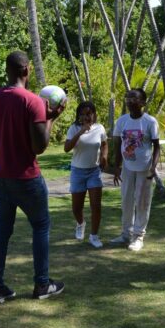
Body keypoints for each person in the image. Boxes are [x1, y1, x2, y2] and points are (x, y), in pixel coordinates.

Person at [0, 51, 67, 304]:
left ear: (7, 70)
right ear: (26, 71)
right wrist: (51, 119)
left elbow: (0, 132)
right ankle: (42, 284)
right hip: (26, 177)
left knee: (3, 230)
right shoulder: (33, 102)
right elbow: (39, 147)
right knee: (41, 226)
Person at [111, 89, 160, 252]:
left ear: (143, 103)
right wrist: (116, 167)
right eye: (128, 97)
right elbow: (117, 145)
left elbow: (156, 146)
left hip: (144, 168)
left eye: (135, 98)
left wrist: (153, 167)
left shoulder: (150, 122)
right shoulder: (122, 121)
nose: (130, 100)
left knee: (142, 201)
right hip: (127, 167)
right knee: (126, 200)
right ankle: (126, 233)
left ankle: (138, 236)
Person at [64, 101, 108, 249]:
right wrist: (81, 131)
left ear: (94, 114)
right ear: (78, 116)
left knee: (96, 206)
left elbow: (104, 143)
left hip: (94, 172)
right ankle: (81, 223)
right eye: (82, 114)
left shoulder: (100, 128)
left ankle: (94, 236)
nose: (86, 116)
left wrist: (104, 156)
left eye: (89, 113)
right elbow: (66, 148)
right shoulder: (73, 128)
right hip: (77, 171)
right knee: (77, 207)